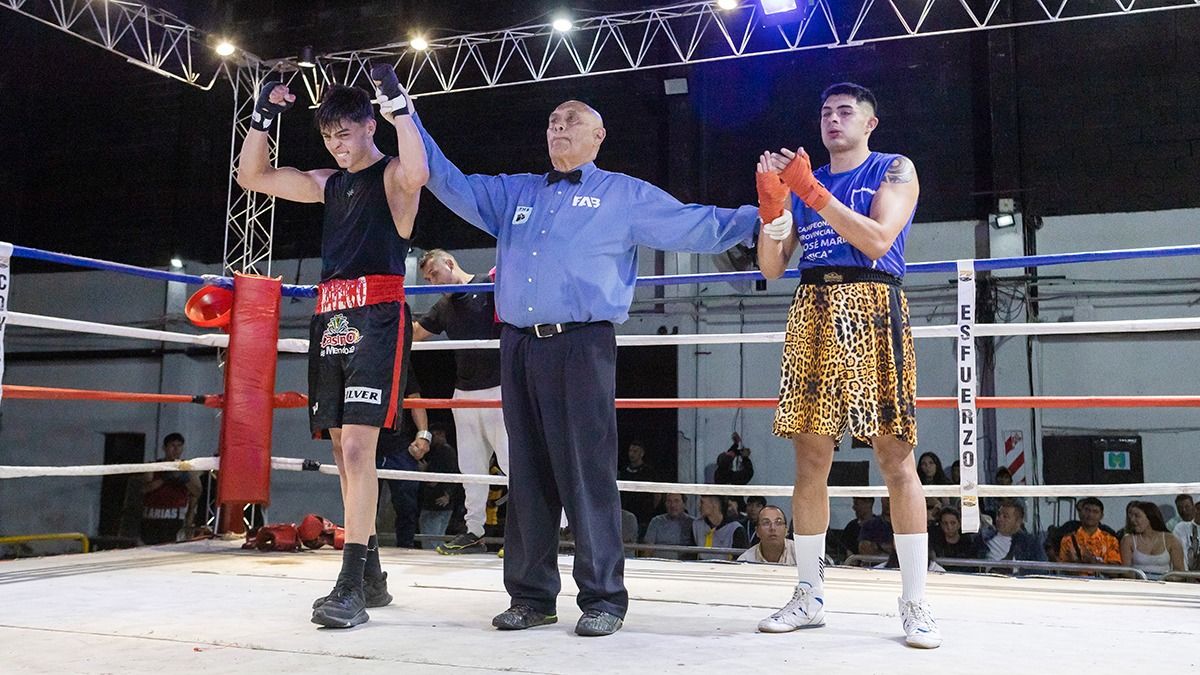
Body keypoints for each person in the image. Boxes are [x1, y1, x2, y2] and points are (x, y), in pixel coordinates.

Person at [414, 98, 759, 637]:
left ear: (600, 135)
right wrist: (402, 115)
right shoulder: (516, 192)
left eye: (572, 120)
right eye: (552, 120)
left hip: (582, 343)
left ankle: (603, 598)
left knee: (588, 471)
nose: (558, 127)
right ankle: (532, 596)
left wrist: (770, 213)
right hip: (518, 345)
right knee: (525, 474)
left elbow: (695, 225)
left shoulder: (622, 194)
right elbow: (446, 179)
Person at [235, 64, 427, 629]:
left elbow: (418, 169)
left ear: (370, 125)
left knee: (362, 449)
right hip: (331, 316)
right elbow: (254, 177)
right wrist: (264, 115)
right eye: (328, 135)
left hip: (378, 315)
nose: (337, 145)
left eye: (345, 132)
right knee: (343, 450)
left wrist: (399, 105)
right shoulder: (327, 182)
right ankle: (370, 571)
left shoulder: (392, 176)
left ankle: (350, 585)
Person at [754, 82, 939, 648]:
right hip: (812, 304)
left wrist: (811, 193)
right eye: (825, 112)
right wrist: (774, 210)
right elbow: (771, 269)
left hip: (873, 301)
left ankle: (915, 603)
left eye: (845, 112)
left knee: (894, 456)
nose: (832, 120)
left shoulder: (893, 168)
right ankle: (808, 594)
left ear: (869, 123)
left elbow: (880, 239)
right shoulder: (803, 182)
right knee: (810, 458)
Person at [412, 248, 508, 555]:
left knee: (512, 463)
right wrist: (387, 318)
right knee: (470, 467)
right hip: (464, 394)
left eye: (435, 274)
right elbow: (415, 334)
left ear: (450, 263)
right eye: (427, 279)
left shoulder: (488, 287)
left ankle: (528, 534)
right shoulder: (443, 306)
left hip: (500, 389)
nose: (433, 283)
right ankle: (473, 531)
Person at [140, 433, 201, 545]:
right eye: (172, 445)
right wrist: (165, 478)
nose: (176, 449)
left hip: (175, 518)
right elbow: (143, 489)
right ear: (164, 447)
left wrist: (184, 479)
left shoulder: (187, 468)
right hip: (152, 517)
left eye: (179, 446)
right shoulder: (153, 466)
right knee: (148, 551)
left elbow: (197, 492)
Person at [417, 425, 462, 546]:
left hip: (436, 502)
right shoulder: (448, 452)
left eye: (434, 435)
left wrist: (424, 471)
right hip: (443, 502)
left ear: (441, 434)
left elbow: (433, 480)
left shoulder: (443, 452)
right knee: (437, 538)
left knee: (430, 540)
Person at [975, 499, 1045, 573]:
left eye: (1005, 516)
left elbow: (1042, 569)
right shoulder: (983, 538)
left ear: (1018, 521)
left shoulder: (1031, 544)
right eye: (998, 514)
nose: (999, 519)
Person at [1120, 501, 1184, 580]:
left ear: (1150, 517)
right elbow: (1126, 571)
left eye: (1137, 516)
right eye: (1131, 516)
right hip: (1138, 586)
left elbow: (1180, 570)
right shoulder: (1128, 540)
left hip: (1164, 586)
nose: (1132, 520)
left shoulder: (1171, 540)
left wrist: (1168, 579)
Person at [1057, 497, 1122, 571]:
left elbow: (1116, 570)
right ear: (1081, 512)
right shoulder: (1068, 540)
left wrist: (1092, 562)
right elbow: (1062, 571)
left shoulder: (1111, 540)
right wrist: (1074, 562)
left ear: (1101, 516)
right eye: (1087, 510)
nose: (1090, 514)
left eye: (1095, 512)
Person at [617, 441, 662, 537]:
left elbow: (657, 495)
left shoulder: (649, 472)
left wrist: (648, 509)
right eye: (630, 451)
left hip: (643, 519)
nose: (632, 454)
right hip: (626, 518)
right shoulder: (623, 471)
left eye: (635, 451)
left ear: (642, 454)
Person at [693, 495, 749, 561]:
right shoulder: (697, 525)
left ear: (714, 505)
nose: (699, 506)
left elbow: (741, 559)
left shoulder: (736, 529)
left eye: (702, 502)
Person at [641, 493, 694, 560]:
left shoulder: (693, 523)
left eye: (676, 501)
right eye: (669, 501)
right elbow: (648, 549)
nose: (672, 505)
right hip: (659, 564)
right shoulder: (656, 521)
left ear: (684, 504)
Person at [1170, 494, 1199, 570]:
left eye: (1187, 507)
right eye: (1180, 508)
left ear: (1193, 507)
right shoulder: (1174, 525)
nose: (1184, 510)